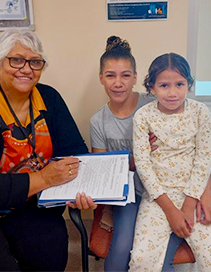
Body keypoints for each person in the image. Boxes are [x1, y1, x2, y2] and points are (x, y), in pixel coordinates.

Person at [0, 29, 94, 271]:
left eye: (35, 62)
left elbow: (75, 153)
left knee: (51, 259)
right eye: (17, 60)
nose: (26, 69)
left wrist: (78, 188)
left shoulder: (49, 98)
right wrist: (42, 178)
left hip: (35, 206)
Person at [90, 36, 187, 271]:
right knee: (122, 246)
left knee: (159, 255)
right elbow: (103, 173)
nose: (118, 83)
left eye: (125, 75)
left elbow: (186, 141)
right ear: (101, 78)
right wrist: (138, 158)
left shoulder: (156, 104)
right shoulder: (98, 121)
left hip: (167, 188)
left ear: (135, 77)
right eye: (110, 75)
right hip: (130, 193)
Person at [129, 53, 211, 271]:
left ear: (189, 85)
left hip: (193, 192)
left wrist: (189, 204)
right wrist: (171, 210)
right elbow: (143, 164)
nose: (173, 92)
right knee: (141, 261)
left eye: (179, 84)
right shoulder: (143, 116)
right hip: (157, 197)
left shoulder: (201, 112)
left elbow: (204, 157)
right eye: (164, 85)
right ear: (152, 87)